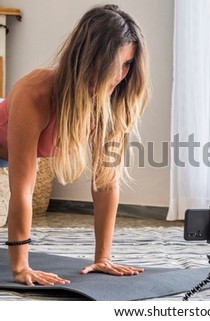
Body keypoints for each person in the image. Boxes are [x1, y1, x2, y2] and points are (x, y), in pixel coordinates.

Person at [0, 4, 150, 286]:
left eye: (127, 64)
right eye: (113, 65)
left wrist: (102, 258)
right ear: (87, 57)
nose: (120, 76)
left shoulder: (111, 101)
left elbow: (105, 182)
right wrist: (20, 267)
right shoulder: (36, 92)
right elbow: (22, 188)